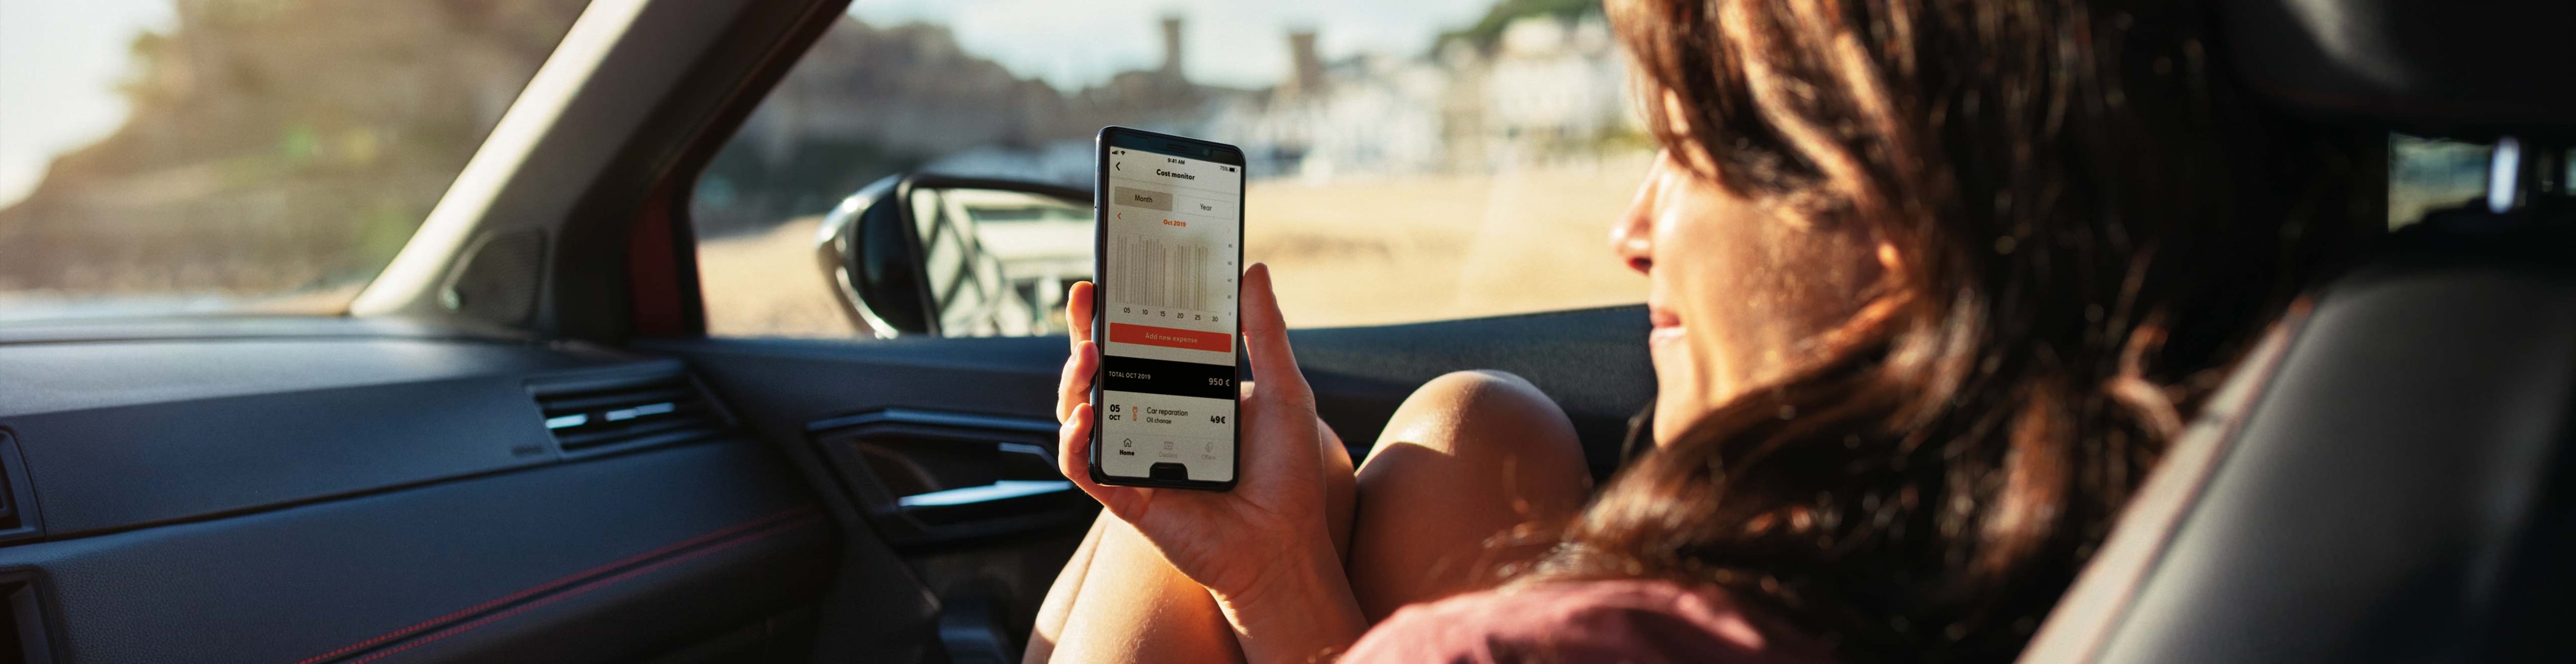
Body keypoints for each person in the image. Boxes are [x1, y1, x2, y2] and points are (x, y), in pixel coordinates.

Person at [1027, 0, 2380, 661]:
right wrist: (1273, 572)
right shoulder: (2268, 504)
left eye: (1688, 150)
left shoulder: (1569, 647)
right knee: (1477, 422)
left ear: (1902, 218)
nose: (1632, 231)